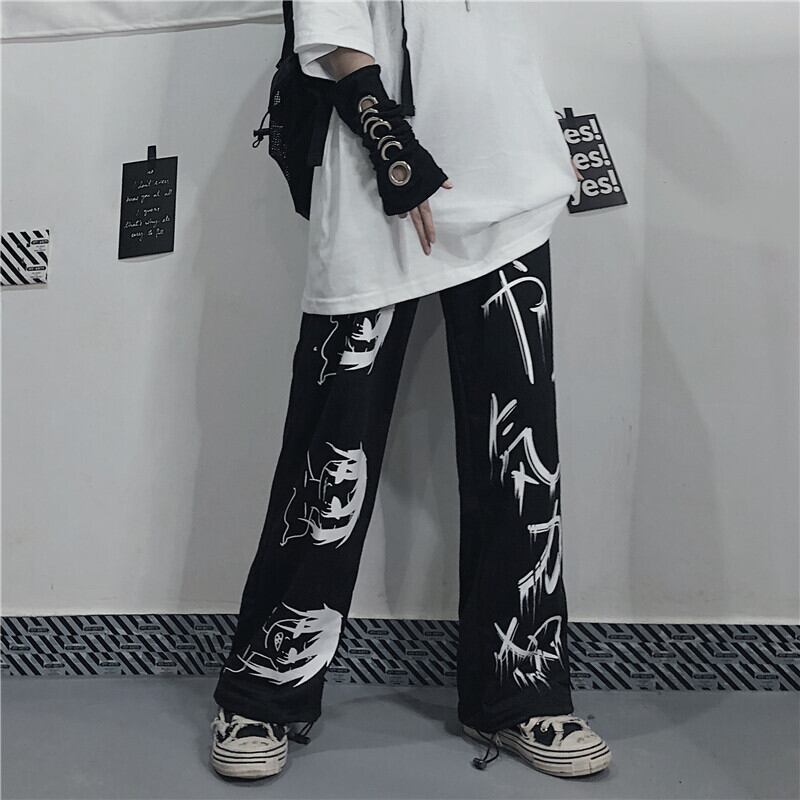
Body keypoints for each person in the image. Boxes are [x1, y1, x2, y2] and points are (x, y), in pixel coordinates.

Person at [209, 0, 612, 781]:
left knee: (519, 452)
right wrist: (391, 145)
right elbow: (328, 23)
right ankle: (265, 688)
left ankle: (519, 687)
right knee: (331, 443)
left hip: (506, 180)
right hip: (378, 182)